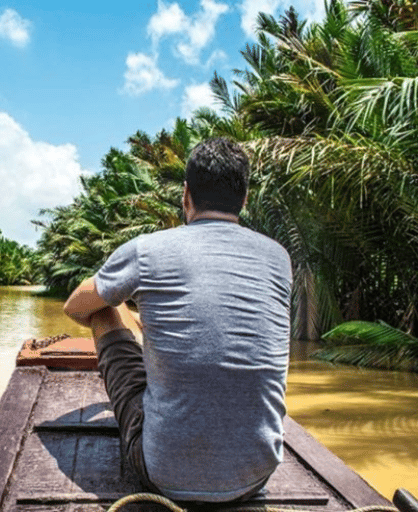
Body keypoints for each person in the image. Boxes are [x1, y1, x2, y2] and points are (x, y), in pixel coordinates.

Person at [63, 137, 292, 503]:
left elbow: (75, 307)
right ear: (245, 199)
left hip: (164, 476)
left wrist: (126, 319)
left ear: (186, 194)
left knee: (105, 307)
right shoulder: (279, 259)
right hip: (256, 476)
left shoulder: (147, 249)